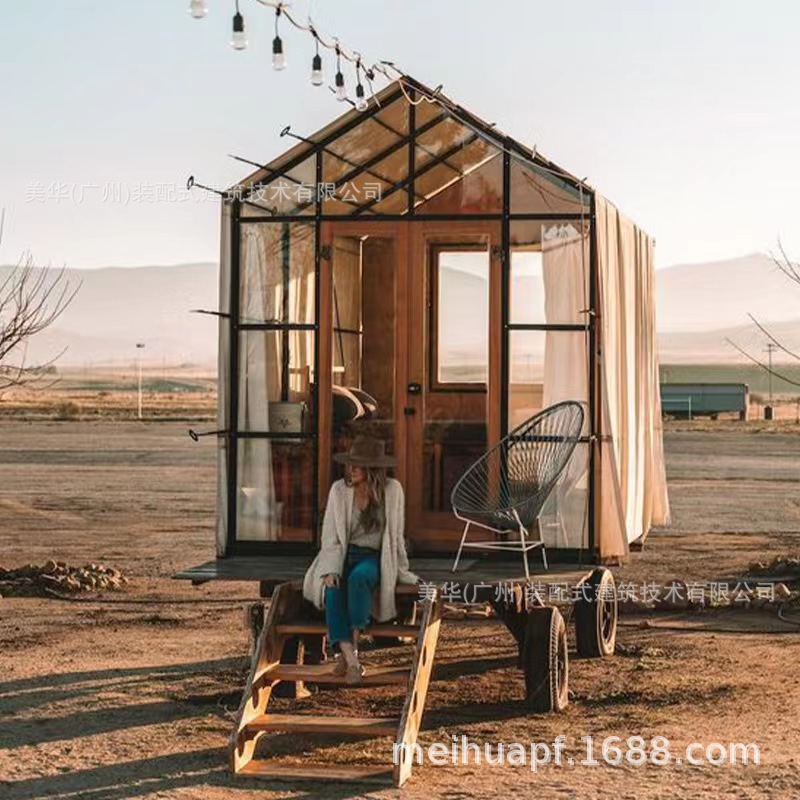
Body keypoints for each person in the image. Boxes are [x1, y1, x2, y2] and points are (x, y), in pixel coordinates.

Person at [303, 435, 418, 684]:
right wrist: (331, 568)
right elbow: (331, 536)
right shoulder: (339, 490)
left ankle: (349, 652)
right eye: (350, 464)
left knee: (359, 578)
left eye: (358, 465)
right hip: (342, 555)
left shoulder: (392, 490)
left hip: (372, 557)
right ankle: (352, 659)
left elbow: (395, 536)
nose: (351, 469)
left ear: (372, 469)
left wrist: (402, 568)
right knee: (332, 590)